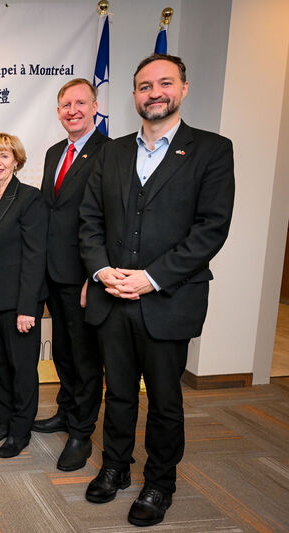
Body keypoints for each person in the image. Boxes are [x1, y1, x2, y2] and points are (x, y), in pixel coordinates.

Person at [79, 54, 235, 527]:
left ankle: (159, 483)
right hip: (112, 297)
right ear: (134, 95)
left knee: (165, 400)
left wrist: (151, 278)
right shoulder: (111, 152)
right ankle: (115, 466)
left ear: (183, 88)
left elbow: (211, 229)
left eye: (165, 83)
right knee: (119, 392)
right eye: (145, 86)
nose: (155, 93)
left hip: (168, 299)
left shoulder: (211, 150)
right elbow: (90, 220)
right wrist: (101, 271)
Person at [34, 79, 109, 471]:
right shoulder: (54, 153)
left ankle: (82, 432)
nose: (73, 110)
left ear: (95, 106)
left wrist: (93, 276)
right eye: (66, 104)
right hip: (53, 274)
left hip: (83, 278)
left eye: (81, 103)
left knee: (85, 358)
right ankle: (66, 412)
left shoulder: (110, 153)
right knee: (63, 352)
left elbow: (110, 220)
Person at [0, 133, 48, 458]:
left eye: (4, 156)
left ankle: (20, 431)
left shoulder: (29, 198)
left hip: (18, 301)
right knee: (0, 365)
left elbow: (35, 256)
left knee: (22, 369)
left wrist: (27, 307)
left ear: (16, 161)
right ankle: (5, 422)